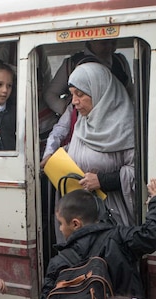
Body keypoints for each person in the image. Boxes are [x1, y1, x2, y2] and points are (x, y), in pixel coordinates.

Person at [48, 62, 137, 227]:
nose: (74, 101)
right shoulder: (83, 123)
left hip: (110, 219)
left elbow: (137, 173)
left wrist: (103, 180)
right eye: (72, 94)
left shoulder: (126, 127)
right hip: (79, 218)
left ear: (100, 92)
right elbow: (80, 148)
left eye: (80, 94)